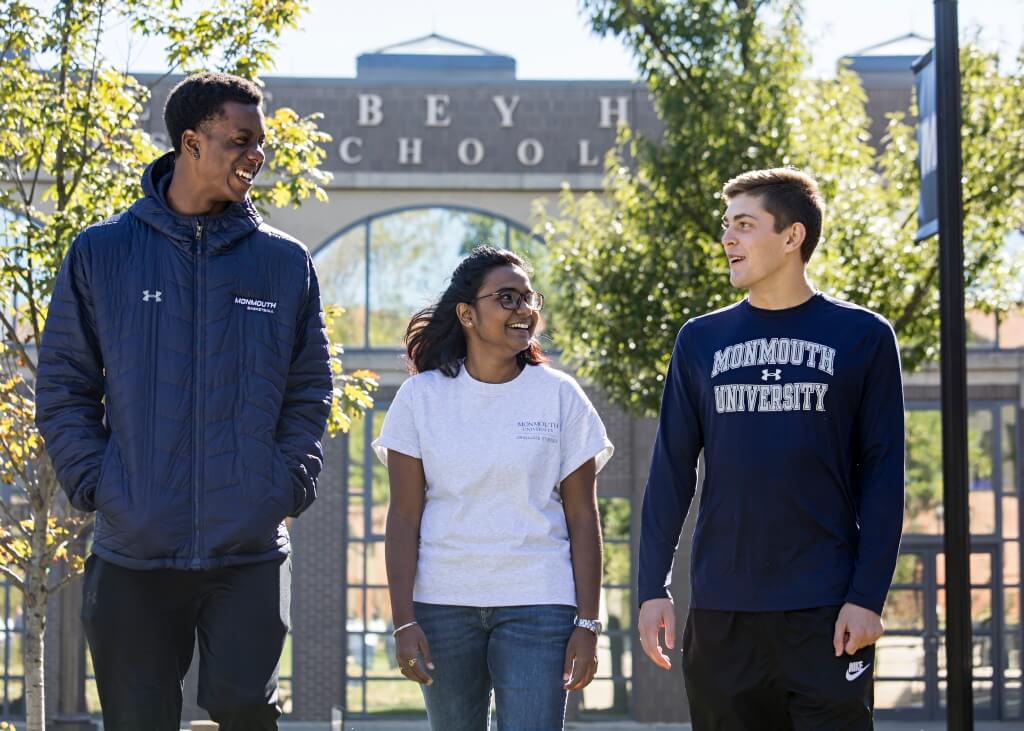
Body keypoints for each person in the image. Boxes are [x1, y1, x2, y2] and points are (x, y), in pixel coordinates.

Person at [35, 72, 333, 730]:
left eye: (263, 143)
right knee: (138, 719)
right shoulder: (101, 252)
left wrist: (283, 483)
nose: (256, 156)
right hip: (133, 545)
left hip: (248, 545)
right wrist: (98, 481)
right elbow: (63, 383)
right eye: (241, 141)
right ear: (191, 143)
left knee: (241, 704)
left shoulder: (284, 263)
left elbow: (309, 388)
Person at [637, 168, 905, 729]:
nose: (727, 239)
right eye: (726, 226)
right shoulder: (700, 340)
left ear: (792, 236)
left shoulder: (864, 336)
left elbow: (883, 476)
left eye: (744, 225)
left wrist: (867, 597)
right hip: (721, 615)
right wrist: (651, 586)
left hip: (826, 611)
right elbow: (671, 472)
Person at [373, 246, 614, 730]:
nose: (525, 310)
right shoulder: (420, 399)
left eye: (530, 299)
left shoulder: (561, 396)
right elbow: (403, 519)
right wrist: (403, 620)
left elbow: (584, 520)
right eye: (508, 298)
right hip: (442, 605)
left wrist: (588, 625)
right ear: (466, 313)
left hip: (540, 604)